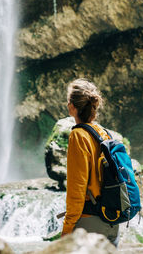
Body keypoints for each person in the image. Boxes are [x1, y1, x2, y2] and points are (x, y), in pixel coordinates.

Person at [61, 78, 120, 246]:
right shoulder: (104, 133)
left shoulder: (78, 135)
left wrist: (67, 228)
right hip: (112, 220)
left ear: (72, 107)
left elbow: (77, 188)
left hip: (90, 223)